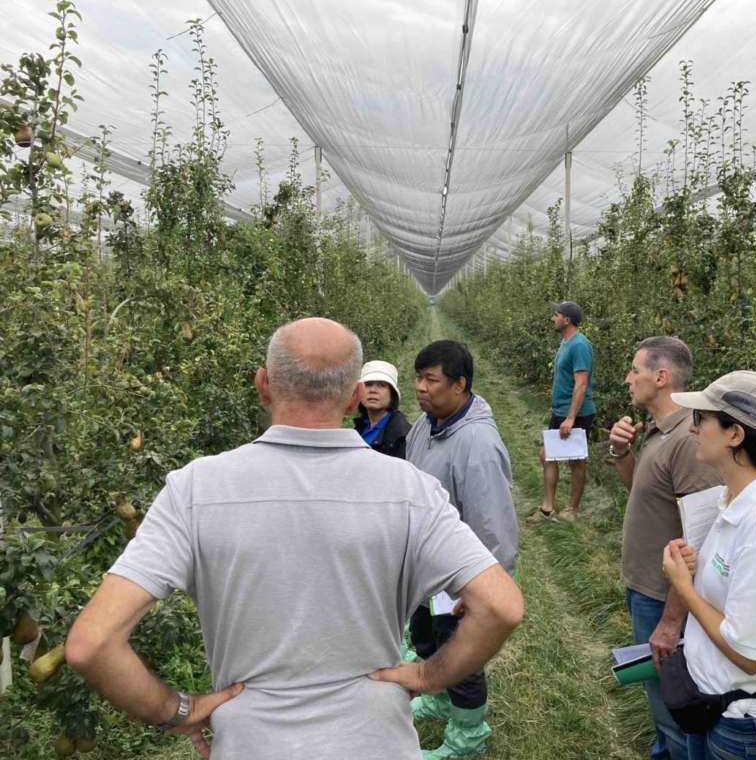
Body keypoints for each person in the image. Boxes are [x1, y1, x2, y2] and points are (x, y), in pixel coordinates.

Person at [65, 318, 524, 760]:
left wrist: (175, 710)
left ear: (263, 384)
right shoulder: (410, 491)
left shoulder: (195, 490)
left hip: (250, 744)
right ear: (353, 398)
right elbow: (501, 607)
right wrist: (426, 676)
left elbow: (91, 644)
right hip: (376, 739)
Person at [661, 370, 756, 760]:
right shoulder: (734, 500)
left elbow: (748, 652)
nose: (692, 429)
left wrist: (684, 587)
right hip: (716, 703)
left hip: (744, 725)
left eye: (701, 419)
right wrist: (697, 569)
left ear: (735, 434)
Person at [405, 339, 518, 760]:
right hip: (425, 569)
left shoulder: (477, 445)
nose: (420, 387)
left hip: (457, 576)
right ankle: (437, 698)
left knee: (462, 657)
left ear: (460, 385)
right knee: (429, 642)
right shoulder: (426, 424)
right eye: (417, 378)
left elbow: (493, 524)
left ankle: (468, 735)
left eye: (430, 380)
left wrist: (480, 589)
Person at [608, 336, 720, 760]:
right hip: (647, 588)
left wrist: (672, 620)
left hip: (665, 597)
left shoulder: (690, 440)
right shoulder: (658, 430)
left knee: (673, 706)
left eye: (634, 370)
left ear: (660, 376)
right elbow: (641, 489)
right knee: (660, 704)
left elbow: (702, 540)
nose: (627, 379)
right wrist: (621, 452)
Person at [534, 300, 596, 522]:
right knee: (547, 455)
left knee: (576, 461)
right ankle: (547, 508)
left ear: (567, 320)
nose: (553, 318)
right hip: (561, 410)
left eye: (556, 314)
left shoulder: (580, 345)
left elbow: (581, 383)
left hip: (577, 413)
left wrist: (570, 417)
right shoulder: (566, 342)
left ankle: (572, 509)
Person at [354, 359, 412, 458]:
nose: (373, 390)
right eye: (368, 384)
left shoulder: (403, 436)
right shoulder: (359, 429)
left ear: (392, 394)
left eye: (381, 385)